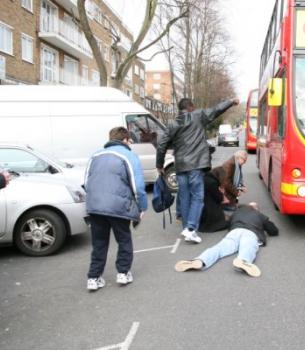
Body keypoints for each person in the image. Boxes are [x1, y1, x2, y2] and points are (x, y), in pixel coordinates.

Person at [156, 97, 239, 243]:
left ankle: (186, 227)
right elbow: (216, 109)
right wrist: (231, 101)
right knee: (198, 197)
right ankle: (190, 229)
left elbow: (162, 144)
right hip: (196, 164)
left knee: (184, 196)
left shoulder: (173, 124)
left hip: (181, 165)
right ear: (191, 107)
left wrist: (159, 164)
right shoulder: (198, 115)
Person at [85, 127, 147, 291]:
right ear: (126, 140)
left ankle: (93, 277)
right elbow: (138, 187)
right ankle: (123, 273)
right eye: (130, 140)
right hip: (118, 206)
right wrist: (142, 207)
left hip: (95, 206)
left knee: (99, 243)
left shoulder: (95, 155)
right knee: (124, 239)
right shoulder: (129, 156)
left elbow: (86, 181)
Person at [174, 202, 279, 277]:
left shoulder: (236, 213)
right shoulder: (259, 215)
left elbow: (228, 224)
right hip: (250, 232)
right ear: (256, 209)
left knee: (219, 248)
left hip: (235, 231)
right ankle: (243, 260)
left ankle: (200, 260)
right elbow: (273, 230)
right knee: (248, 246)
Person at [198, 166, 228, 233]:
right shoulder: (212, 183)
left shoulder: (205, 178)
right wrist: (222, 192)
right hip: (209, 211)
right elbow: (219, 198)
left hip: (202, 208)